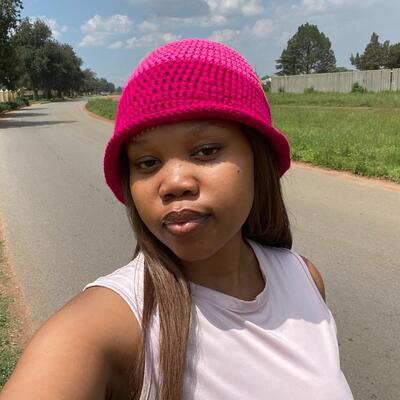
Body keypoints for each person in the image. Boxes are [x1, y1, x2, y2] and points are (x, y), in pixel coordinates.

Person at [0, 38, 354, 400]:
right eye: (147, 162)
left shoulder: (303, 278)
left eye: (206, 151)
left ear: (257, 160)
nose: (173, 183)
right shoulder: (107, 324)